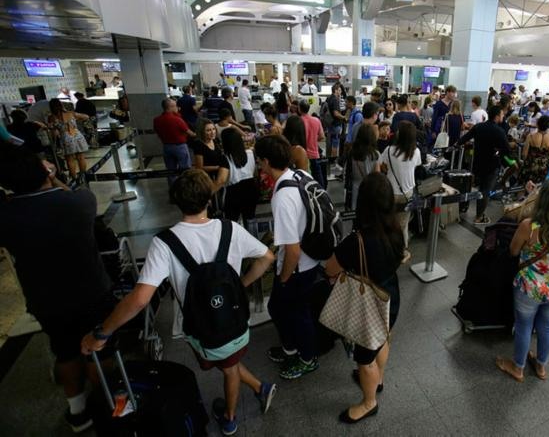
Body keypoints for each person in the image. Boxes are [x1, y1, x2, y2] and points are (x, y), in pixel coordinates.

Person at [81, 169, 277, 436]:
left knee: (228, 368)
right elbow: (267, 257)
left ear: (175, 201)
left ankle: (231, 417)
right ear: (209, 199)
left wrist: (103, 332)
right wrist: (241, 285)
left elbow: (140, 299)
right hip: (235, 318)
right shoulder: (231, 228)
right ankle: (259, 387)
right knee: (228, 361)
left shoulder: (165, 243)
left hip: (200, 325)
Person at [0, 145, 114, 433]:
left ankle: (78, 412)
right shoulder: (77, 203)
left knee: (65, 352)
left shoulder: (7, 216)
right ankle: (108, 404)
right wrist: (55, 179)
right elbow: (72, 195)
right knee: (98, 349)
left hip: (46, 300)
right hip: (91, 291)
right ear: (45, 171)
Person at [324, 172, 403, 423]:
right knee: (383, 338)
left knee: (364, 357)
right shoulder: (396, 229)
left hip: (367, 305)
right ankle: (379, 378)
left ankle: (369, 402)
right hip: (390, 296)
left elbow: (330, 269)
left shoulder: (355, 241)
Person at [495, 176, 549, 383]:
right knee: (546, 326)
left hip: (529, 287)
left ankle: (518, 368)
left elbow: (513, 250)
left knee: (524, 326)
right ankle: (541, 366)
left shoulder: (530, 226)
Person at [255, 135, 323, 380]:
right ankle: (290, 348)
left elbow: (292, 250)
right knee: (281, 308)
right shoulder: (301, 175)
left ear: (265, 161)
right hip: (310, 258)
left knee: (295, 312)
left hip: (297, 266)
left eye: (259, 162)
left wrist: (284, 278)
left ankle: (307, 358)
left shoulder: (282, 195)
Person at [456, 104, 512, 225]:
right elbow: (507, 150)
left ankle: (467, 209)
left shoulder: (479, 127)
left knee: (479, 188)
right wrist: (498, 151)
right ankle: (479, 216)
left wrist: (457, 144)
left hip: (477, 163)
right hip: (492, 164)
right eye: (502, 114)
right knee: (486, 191)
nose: (503, 116)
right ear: (497, 116)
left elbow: (463, 139)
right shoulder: (499, 131)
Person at [379, 121, 421, 262]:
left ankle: (387, 249)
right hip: (407, 194)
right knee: (403, 225)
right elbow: (416, 166)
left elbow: (381, 166)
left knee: (388, 222)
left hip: (390, 192)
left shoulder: (389, 150)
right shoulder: (416, 152)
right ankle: (401, 251)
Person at [211, 129, 261, 223]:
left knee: (231, 221)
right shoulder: (250, 153)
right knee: (250, 219)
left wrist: (207, 194)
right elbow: (255, 173)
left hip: (234, 192)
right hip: (251, 188)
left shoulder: (225, 158)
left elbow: (221, 180)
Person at [153, 98, 196, 184]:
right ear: (171, 107)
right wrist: (197, 134)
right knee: (185, 170)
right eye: (176, 106)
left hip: (166, 147)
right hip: (180, 147)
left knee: (171, 171)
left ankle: (173, 190)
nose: (178, 108)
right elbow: (190, 133)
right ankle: (185, 188)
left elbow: (157, 133)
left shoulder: (156, 120)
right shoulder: (177, 120)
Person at [48, 98, 90, 177]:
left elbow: (54, 132)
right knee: (81, 157)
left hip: (66, 137)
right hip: (77, 135)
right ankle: (83, 176)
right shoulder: (71, 113)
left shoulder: (52, 117)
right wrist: (77, 120)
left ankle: (74, 178)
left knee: (70, 160)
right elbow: (86, 117)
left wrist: (54, 142)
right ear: (61, 105)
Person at [348, 123, 380, 208]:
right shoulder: (375, 154)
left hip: (355, 188)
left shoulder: (352, 152)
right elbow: (377, 175)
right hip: (370, 189)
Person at [299, 100, 326, 188]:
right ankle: (321, 196)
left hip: (303, 155)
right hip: (314, 154)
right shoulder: (316, 120)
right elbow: (322, 136)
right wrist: (314, 139)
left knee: (304, 181)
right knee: (318, 179)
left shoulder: (298, 121)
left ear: (299, 109)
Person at [520, 115, 549, 184]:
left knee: (524, 186)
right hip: (543, 168)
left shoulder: (530, 136)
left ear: (538, 124)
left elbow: (524, 154)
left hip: (530, 166)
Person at [324, 84, 347, 173]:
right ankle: (333, 161)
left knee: (330, 142)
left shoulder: (329, 98)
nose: (340, 92)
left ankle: (329, 159)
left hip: (329, 123)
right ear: (336, 90)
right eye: (340, 90)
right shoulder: (335, 100)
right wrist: (344, 117)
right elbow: (336, 113)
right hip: (336, 124)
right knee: (335, 143)